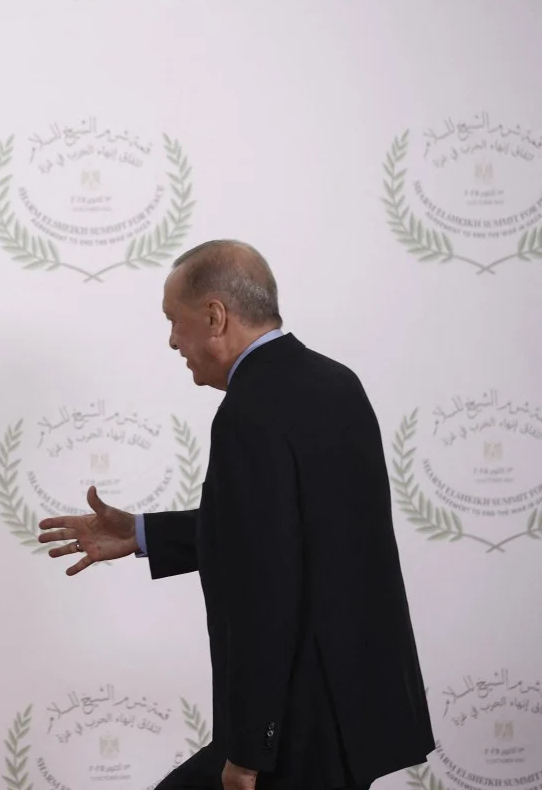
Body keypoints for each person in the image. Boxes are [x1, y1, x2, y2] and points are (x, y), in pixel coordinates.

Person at [37, 240, 434, 790]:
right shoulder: (337, 382)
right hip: (356, 712)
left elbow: (263, 590)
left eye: (174, 320)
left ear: (215, 316)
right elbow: (287, 532)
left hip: (295, 727)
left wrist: (248, 752)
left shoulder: (248, 411)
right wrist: (142, 533)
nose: (172, 340)